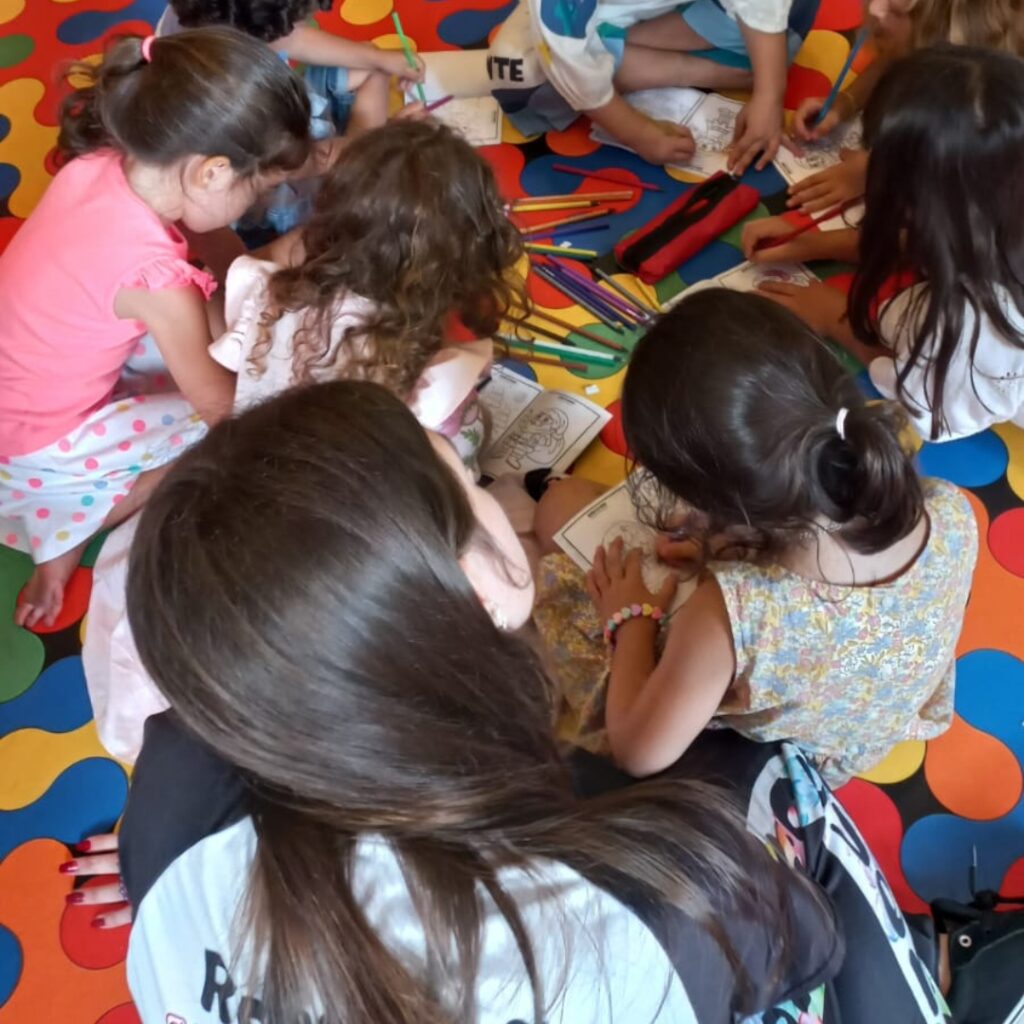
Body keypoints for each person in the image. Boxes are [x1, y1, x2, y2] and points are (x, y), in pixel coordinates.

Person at [74, 380, 962, 1022]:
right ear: (479, 582)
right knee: (785, 786)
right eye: (466, 474)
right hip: (693, 944)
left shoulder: (170, 794)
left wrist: (163, 851)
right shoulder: (679, 859)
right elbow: (801, 949)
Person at [532, 291, 977, 785]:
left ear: (724, 505)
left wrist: (632, 622)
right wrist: (722, 545)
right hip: (863, 722)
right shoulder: (948, 506)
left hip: (785, 767)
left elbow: (637, 751)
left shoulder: (731, 613)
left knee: (557, 509)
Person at [0, 27, 312, 628]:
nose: (254, 211)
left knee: (206, 323)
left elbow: (207, 232)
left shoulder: (109, 163)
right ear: (213, 172)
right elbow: (222, 407)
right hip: (37, 448)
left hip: (19, 390)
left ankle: (59, 525)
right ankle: (71, 529)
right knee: (216, 431)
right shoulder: (155, 280)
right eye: (257, 192)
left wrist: (247, 269)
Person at [743, 45, 1024, 442]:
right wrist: (810, 245)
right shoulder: (998, 201)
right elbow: (928, 242)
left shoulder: (968, 329)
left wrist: (837, 319)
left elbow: (929, 409)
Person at [212, 119, 523, 471]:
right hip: (344, 504)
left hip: (256, 471)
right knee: (475, 438)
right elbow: (457, 440)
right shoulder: (413, 364)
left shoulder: (271, 292)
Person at [161, 0, 425, 234]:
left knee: (370, 66)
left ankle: (359, 156)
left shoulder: (209, 14)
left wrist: (379, 58)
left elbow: (291, 39)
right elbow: (297, 162)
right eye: (298, 17)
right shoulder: (225, 88)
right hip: (271, 180)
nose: (305, 21)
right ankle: (358, 168)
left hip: (276, 112)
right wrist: (377, 143)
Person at [493, 0, 821, 172]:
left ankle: (651, 56)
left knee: (779, 31)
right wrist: (638, 133)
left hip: (704, 11)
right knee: (524, 80)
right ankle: (693, 65)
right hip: (597, 23)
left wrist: (769, 92)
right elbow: (567, 55)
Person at [785, 0, 1023, 216]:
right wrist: (845, 102)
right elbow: (893, 57)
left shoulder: (986, 104)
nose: (875, 9)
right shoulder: (929, 39)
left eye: (897, 8)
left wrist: (880, 172)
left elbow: (938, 237)